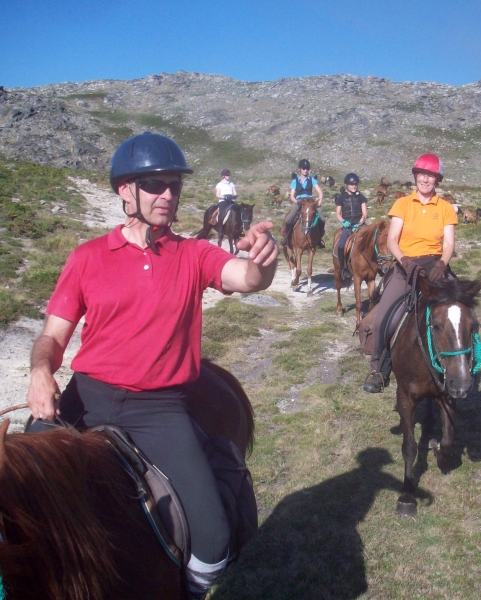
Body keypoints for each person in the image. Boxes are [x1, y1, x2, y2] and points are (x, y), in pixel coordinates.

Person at [26, 132, 278, 598]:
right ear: (126, 191)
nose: (168, 195)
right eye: (155, 185)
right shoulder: (86, 258)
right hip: (86, 397)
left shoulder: (194, 254)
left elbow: (244, 277)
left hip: (159, 410)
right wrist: (41, 372)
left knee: (213, 539)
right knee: (15, 500)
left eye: (174, 186)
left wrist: (261, 263)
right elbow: (52, 336)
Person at [363, 153, 458, 393]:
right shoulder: (402, 204)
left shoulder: (445, 208)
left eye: (431, 176)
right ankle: (378, 370)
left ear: (437, 180)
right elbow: (393, 240)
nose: (426, 180)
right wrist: (404, 261)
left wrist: (441, 264)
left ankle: (461, 364)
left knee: (460, 311)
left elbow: (448, 244)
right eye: (422, 174)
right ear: (416, 176)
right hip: (406, 267)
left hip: (436, 266)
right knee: (385, 313)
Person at [280, 158, 325, 247]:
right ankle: (287, 238)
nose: (305, 170)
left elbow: (320, 192)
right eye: (303, 168)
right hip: (300, 202)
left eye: (307, 168)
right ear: (299, 169)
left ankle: (318, 240)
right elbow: (292, 196)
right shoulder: (295, 181)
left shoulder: (312, 180)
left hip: (310, 202)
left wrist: (319, 202)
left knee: (322, 220)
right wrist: (297, 202)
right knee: (289, 220)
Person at [334, 172, 368, 279]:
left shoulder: (361, 197)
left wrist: (360, 222)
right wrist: (343, 221)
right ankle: (343, 268)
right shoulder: (341, 197)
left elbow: (364, 213)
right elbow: (337, 213)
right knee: (341, 245)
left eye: (355, 184)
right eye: (351, 184)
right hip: (348, 226)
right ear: (346, 185)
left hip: (360, 225)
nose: (354, 186)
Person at [214, 168, 237, 235]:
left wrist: (234, 196)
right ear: (223, 176)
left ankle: (239, 228)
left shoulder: (231, 184)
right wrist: (225, 197)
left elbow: (235, 193)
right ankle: (220, 229)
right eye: (227, 175)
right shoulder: (219, 184)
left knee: (239, 210)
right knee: (221, 213)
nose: (228, 176)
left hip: (231, 200)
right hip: (223, 200)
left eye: (229, 175)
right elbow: (217, 195)